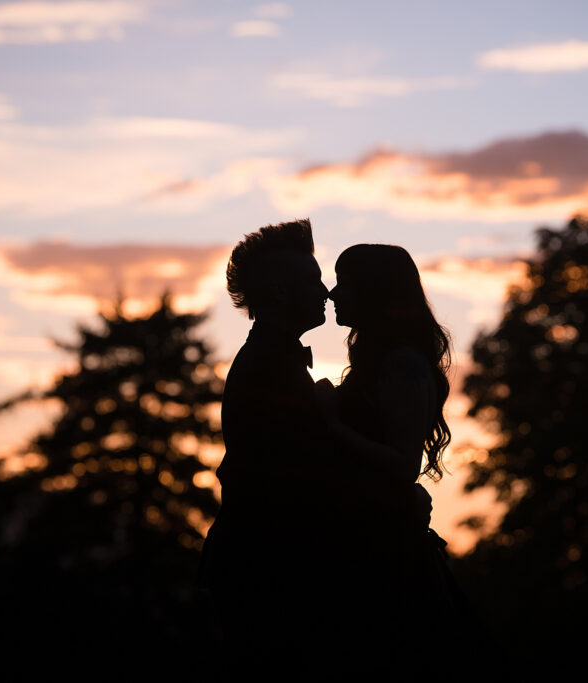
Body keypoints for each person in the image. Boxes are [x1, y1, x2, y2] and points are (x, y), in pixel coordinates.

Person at [198, 220, 431, 678]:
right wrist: (400, 498)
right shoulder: (269, 369)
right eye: (313, 280)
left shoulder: (280, 363)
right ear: (282, 293)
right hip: (272, 577)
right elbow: (293, 477)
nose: (326, 292)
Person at [313, 243, 484, 675]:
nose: (333, 294)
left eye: (345, 283)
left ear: (374, 290)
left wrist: (331, 425)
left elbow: (401, 464)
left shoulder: (403, 364)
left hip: (386, 556)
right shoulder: (384, 361)